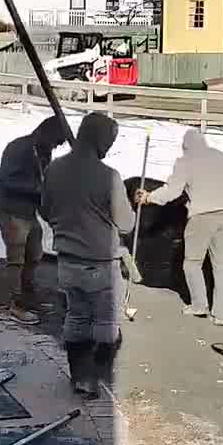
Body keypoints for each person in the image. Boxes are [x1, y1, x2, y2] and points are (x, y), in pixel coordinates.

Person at [41, 112, 134, 398]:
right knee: (105, 322)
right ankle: (95, 377)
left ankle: (78, 374)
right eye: (109, 140)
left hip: (67, 261)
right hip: (101, 264)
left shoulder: (54, 169)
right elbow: (127, 223)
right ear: (101, 140)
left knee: (76, 316)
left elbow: (45, 209)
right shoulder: (109, 177)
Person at [136, 127, 223, 323]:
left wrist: (149, 197)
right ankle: (219, 314)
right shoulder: (222, 159)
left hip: (201, 216)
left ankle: (200, 305)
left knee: (192, 263)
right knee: (222, 266)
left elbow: (172, 191)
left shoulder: (186, 161)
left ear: (186, 147)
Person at [0, 115, 70, 324]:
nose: (55, 147)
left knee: (34, 253)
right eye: (55, 142)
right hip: (10, 209)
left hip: (27, 210)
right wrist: (38, 190)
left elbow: (42, 182)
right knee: (16, 258)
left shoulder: (44, 152)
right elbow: (7, 181)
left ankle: (27, 295)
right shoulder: (18, 149)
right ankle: (15, 304)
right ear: (46, 134)